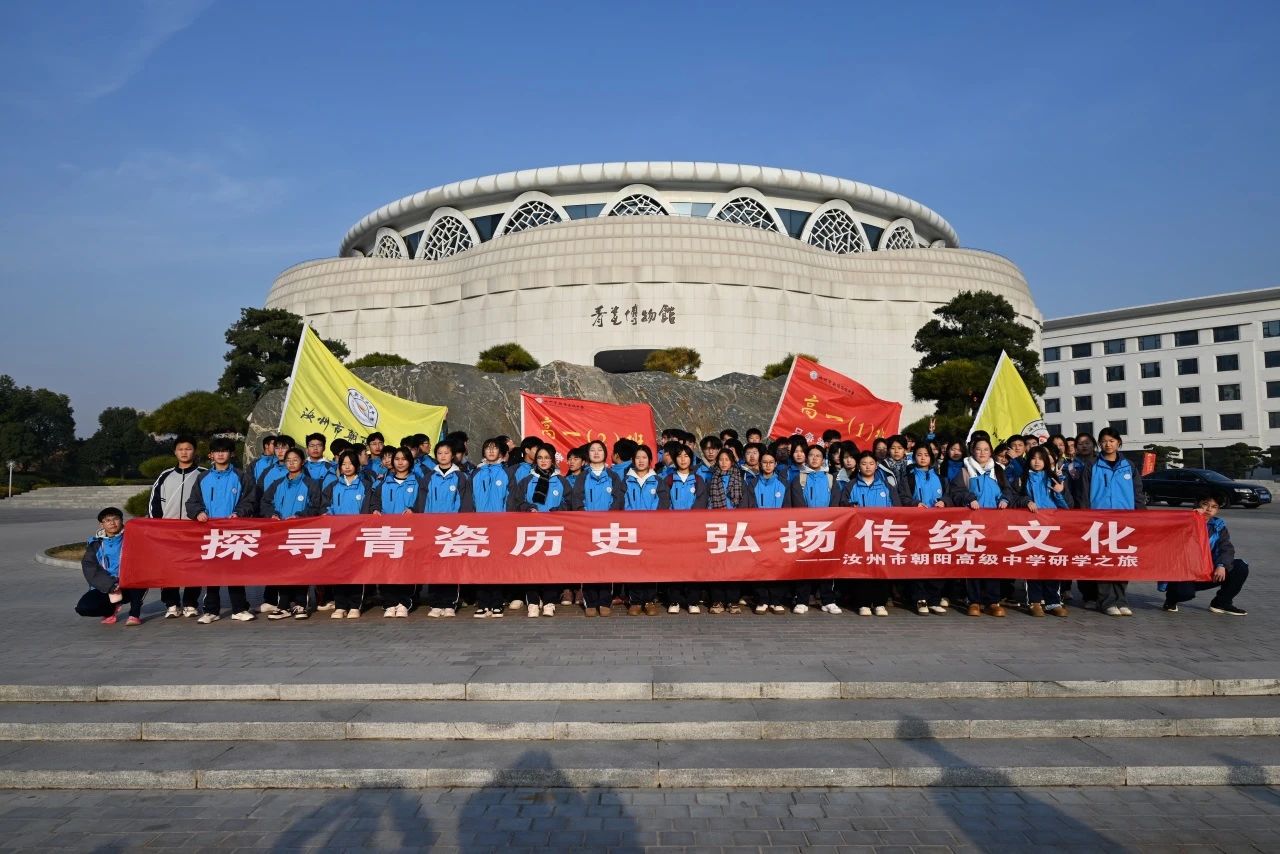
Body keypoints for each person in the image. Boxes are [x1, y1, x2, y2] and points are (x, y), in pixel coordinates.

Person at [1074, 427, 1145, 616]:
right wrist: (1085, 517)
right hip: (1100, 521)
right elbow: (1085, 494)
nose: (1108, 444)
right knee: (1104, 562)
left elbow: (1138, 493)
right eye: (1104, 441)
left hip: (1125, 521)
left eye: (1112, 441)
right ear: (1100, 444)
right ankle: (1106, 602)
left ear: (1119, 443)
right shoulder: (1093, 466)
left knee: (1121, 561)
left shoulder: (1128, 466)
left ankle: (1121, 600)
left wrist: (1142, 516)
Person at [186, 437, 257, 623]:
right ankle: (211, 611)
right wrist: (198, 513)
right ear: (211, 455)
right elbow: (192, 502)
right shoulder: (203, 478)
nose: (220, 454)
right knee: (211, 573)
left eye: (224, 451)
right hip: (210, 533)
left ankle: (239, 608)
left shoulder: (241, 476)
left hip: (234, 531)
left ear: (231, 454)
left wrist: (239, 513)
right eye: (217, 451)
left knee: (235, 573)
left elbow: (250, 500)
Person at [948, 437, 1017, 617]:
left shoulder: (998, 471)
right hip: (972, 525)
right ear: (972, 451)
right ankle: (974, 600)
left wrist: (1005, 499)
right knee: (973, 562)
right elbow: (955, 492)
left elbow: (1009, 491)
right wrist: (968, 498)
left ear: (991, 452)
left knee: (992, 562)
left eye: (986, 450)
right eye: (978, 449)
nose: (982, 453)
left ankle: (992, 601)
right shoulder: (965, 471)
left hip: (994, 525)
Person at [259, 447, 323, 619]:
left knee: (301, 569)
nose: (292, 463)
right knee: (282, 570)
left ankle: (301, 604)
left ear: (302, 462)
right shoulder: (277, 484)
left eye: (295, 460)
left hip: (301, 533)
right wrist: (271, 514)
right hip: (280, 533)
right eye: (288, 460)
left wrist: (300, 516)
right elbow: (265, 502)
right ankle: (283, 605)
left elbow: (316, 507)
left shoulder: (311, 484)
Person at [509, 442, 571, 618]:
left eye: (547, 458)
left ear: (553, 460)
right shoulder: (527, 480)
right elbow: (517, 502)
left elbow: (568, 502)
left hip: (554, 532)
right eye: (540, 458)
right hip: (531, 531)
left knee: (551, 567)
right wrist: (528, 508)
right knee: (531, 568)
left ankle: (550, 601)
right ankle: (533, 602)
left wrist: (558, 511)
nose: (543, 461)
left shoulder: (561, 481)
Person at [148, 436, 206, 619]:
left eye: (188, 449)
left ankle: (190, 603)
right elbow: (154, 503)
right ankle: (171, 603)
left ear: (194, 451)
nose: (184, 452)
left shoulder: (204, 474)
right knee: (168, 568)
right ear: (175, 452)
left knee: (193, 567)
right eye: (180, 449)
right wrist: (156, 526)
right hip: (169, 530)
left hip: (194, 529)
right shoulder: (165, 476)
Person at [1163, 495, 1248, 616]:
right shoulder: (1183, 521)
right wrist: (1189, 519)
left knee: (1240, 567)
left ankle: (1221, 603)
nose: (1209, 509)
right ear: (1196, 504)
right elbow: (1168, 537)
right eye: (1205, 504)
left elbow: (1226, 548)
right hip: (1184, 572)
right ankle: (1171, 599)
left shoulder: (1218, 526)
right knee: (1185, 594)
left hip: (1207, 570)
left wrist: (1221, 565)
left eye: (1214, 507)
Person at [568, 440, 625, 617]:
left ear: (605, 453)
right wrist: (583, 516)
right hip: (587, 526)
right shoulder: (582, 477)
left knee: (607, 562)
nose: (596, 453)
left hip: (607, 526)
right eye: (592, 450)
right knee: (588, 563)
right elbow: (576, 499)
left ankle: (604, 600)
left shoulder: (613, 476)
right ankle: (590, 600)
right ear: (588, 455)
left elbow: (618, 498)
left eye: (600, 450)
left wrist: (610, 516)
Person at [840, 451, 898, 617]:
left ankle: (879, 602)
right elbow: (842, 507)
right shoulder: (851, 486)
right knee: (861, 569)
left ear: (876, 465)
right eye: (864, 463)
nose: (867, 466)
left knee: (881, 569)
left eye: (871, 463)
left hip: (882, 535)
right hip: (860, 536)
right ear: (859, 465)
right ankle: (863, 603)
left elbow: (897, 509)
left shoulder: (886, 486)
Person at [421, 440, 475, 618]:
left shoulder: (461, 477)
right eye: (439, 453)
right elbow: (422, 502)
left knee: (451, 567)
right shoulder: (429, 477)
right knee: (434, 566)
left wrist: (462, 525)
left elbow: (466, 504)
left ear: (452, 455)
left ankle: (450, 602)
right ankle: (435, 603)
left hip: (453, 530)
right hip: (432, 529)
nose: (443, 456)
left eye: (446, 453)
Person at [1017, 445, 1072, 617]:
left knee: (1052, 563)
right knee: (1034, 563)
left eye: (1041, 458)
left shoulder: (1054, 477)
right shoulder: (1022, 478)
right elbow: (1015, 497)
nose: (1037, 462)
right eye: (1033, 458)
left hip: (1052, 526)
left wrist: (1059, 493)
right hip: (1031, 527)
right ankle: (1034, 601)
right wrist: (1026, 501)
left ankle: (1053, 601)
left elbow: (1067, 507)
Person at [323, 449, 375, 619]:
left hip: (357, 534)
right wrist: (327, 515)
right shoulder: (333, 486)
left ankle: (355, 605)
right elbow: (326, 506)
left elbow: (368, 508)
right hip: (338, 535)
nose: (347, 467)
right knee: (338, 571)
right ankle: (340, 605)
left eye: (350, 463)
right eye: (343, 464)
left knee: (356, 571)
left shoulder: (365, 485)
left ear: (357, 465)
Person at [789, 444, 841, 615]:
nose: (814, 458)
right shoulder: (799, 479)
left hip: (827, 528)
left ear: (823, 458)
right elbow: (797, 502)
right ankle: (802, 600)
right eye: (811, 455)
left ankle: (828, 600)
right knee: (804, 565)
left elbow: (835, 502)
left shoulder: (831, 479)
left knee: (826, 565)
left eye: (818, 455)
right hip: (806, 528)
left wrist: (828, 522)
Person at [373, 447, 424, 618]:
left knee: (407, 568)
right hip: (388, 533)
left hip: (410, 533)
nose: (400, 462)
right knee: (387, 568)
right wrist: (375, 510)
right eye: (397, 459)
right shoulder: (384, 483)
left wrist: (414, 510)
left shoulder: (418, 482)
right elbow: (374, 502)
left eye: (404, 459)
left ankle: (405, 602)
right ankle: (389, 602)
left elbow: (423, 503)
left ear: (410, 461)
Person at [622, 444, 670, 616]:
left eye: (644, 457)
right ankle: (635, 600)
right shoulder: (626, 480)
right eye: (637, 458)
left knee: (650, 564)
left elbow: (664, 502)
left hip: (652, 528)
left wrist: (655, 521)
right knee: (633, 564)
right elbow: (621, 502)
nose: (641, 461)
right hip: (631, 528)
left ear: (650, 460)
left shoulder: (658, 481)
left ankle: (649, 599)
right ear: (633, 460)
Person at [705, 448, 755, 614]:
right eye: (721, 460)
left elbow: (744, 503)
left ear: (732, 461)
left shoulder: (740, 480)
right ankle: (717, 600)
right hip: (716, 527)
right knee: (716, 565)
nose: (724, 462)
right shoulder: (711, 479)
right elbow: (708, 503)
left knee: (734, 565)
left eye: (727, 459)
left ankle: (733, 600)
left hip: (735, 527)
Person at [76, 507, 144, 625]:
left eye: (115, 519)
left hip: (129, 583)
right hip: (108, 585)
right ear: (101, 524)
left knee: (138, 581)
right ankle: (110, 611)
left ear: (121, 521)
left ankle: (134, 614)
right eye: (107, 520)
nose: (112, 523)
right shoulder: (95, 545)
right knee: (84, 607)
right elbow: (90, 569)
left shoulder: (132, 538)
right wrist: (110, 585)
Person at [903, 444, 948, 616]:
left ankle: (934, 599)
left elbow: (949, 495)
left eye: (926, 455)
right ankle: (920, 597)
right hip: (916, 526)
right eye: (919, 455)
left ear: (931, 458)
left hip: (938, 527)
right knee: (918, 561)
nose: (922, 458)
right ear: (914, 457)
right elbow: (903, 496)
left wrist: (944, 501)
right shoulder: (908, 478)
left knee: (937, 561)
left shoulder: (941, 478)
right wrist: (915, 504)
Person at [663, 444, 708, 614]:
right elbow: (664, 502)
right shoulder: (668, 480)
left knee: (693, 565)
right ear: (675, 459)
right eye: (680, 456)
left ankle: (692, 600)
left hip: (693, 530)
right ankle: (674, 600)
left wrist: (689, 522)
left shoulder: (698, 480)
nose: (683, 459)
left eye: (686, 456)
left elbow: (701, 502)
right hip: (673, 530)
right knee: (674, 566)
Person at [750, 449, 793, 614]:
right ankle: (761, 599)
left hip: (778, 532)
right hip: (759, 532)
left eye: (771, 462)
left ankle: (776, 600)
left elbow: (787, 508)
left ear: (775, 464)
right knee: (759, 566)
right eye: (764, 462)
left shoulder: (783, 483)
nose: (767, 465)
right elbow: (750, 507)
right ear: (760, 464)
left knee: (777, 566)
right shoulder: (753, 483)